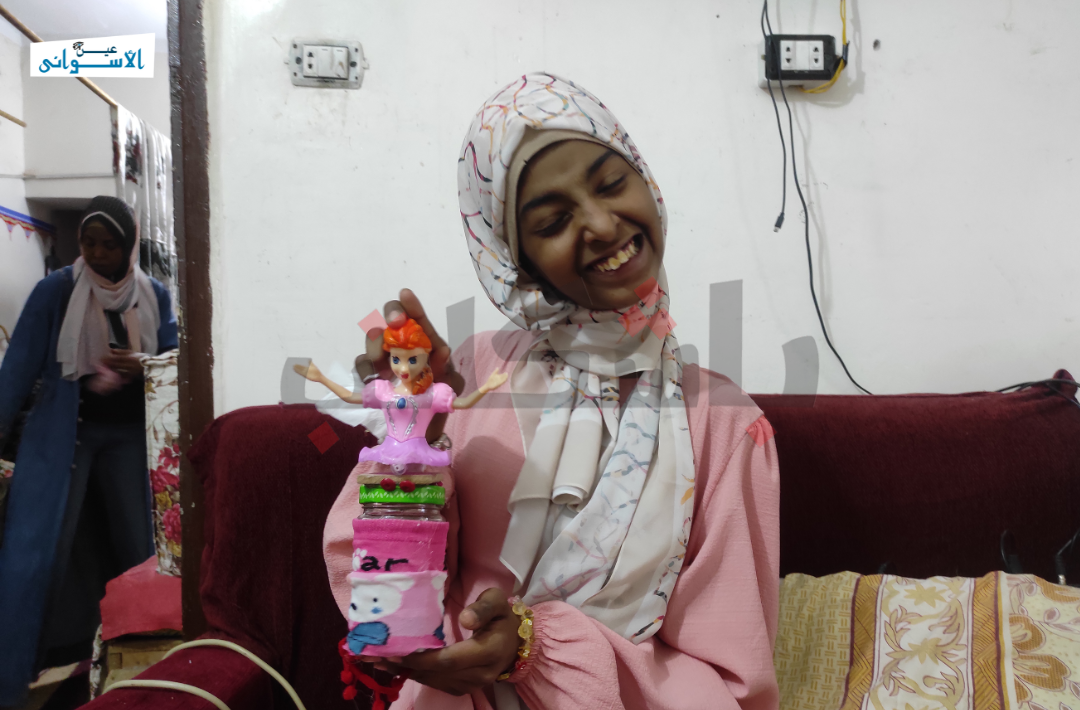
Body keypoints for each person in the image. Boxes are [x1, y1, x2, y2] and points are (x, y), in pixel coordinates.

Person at [324, 73, 780, 709]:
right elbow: (385, 599)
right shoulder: (471, 379)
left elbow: (730, 676)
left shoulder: (725, 425)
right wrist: (414, 434)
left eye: (611, 183)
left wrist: (535, 650)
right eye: (554, 220)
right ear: (518, 262)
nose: (601, 224)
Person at [0, 196, 179, 707]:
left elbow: (173, 360)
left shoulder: (153, 295)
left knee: (144, 552)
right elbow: (18, 368)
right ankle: (12, 680)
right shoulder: (56, 291)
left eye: (109, 245)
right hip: (63, 440)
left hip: (129, 442)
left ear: (129, 246)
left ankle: (152, 672)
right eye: (89, 242)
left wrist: (143, 365)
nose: (98, 254)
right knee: (36, 555)